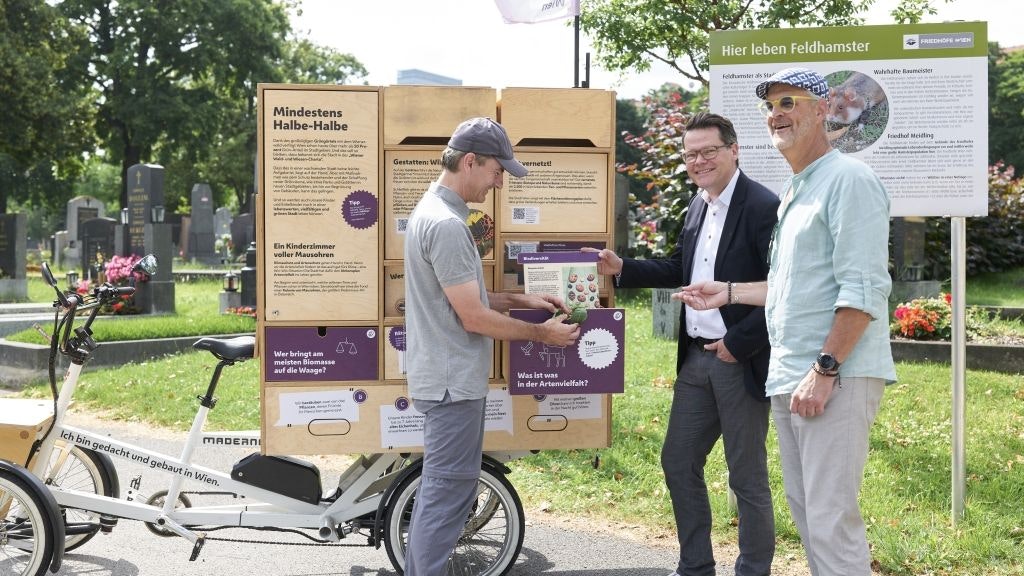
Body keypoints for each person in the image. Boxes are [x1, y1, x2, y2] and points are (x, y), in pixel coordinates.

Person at [677, 68, 896, 576]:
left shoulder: (849, 180)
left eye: (790, 102)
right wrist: (728, 292)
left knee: (829, 519)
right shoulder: (799, 188)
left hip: (831, 375)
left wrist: (825, 368)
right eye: (771, 106)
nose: (777, 114)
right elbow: (793, 288)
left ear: (823, 110)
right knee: (810, 515)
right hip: (791, 375)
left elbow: (862, 290)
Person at [585, 112, 778, 576]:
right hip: (695, 359)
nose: (699, 161)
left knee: (746, 476)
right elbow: (680, 268)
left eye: (709, 151)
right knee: (678, 461)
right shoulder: (698, 204)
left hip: (739, 358)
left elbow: (782, 287)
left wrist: (738, 341)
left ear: (734, 150)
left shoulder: (762, 206)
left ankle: (753, 570)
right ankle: (695, 567)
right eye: (691, 154)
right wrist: (622, 268)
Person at [402, 116, 580, 576]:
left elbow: (462, 297)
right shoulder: (446, 226)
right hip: (452, 383)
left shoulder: (433, 212)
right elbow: (474, 317)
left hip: (443, 377)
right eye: (497, 170)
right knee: (446, 495)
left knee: (448, 492)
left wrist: (522, 298)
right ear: (469, 161)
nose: (500, 182)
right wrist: (544, 333)